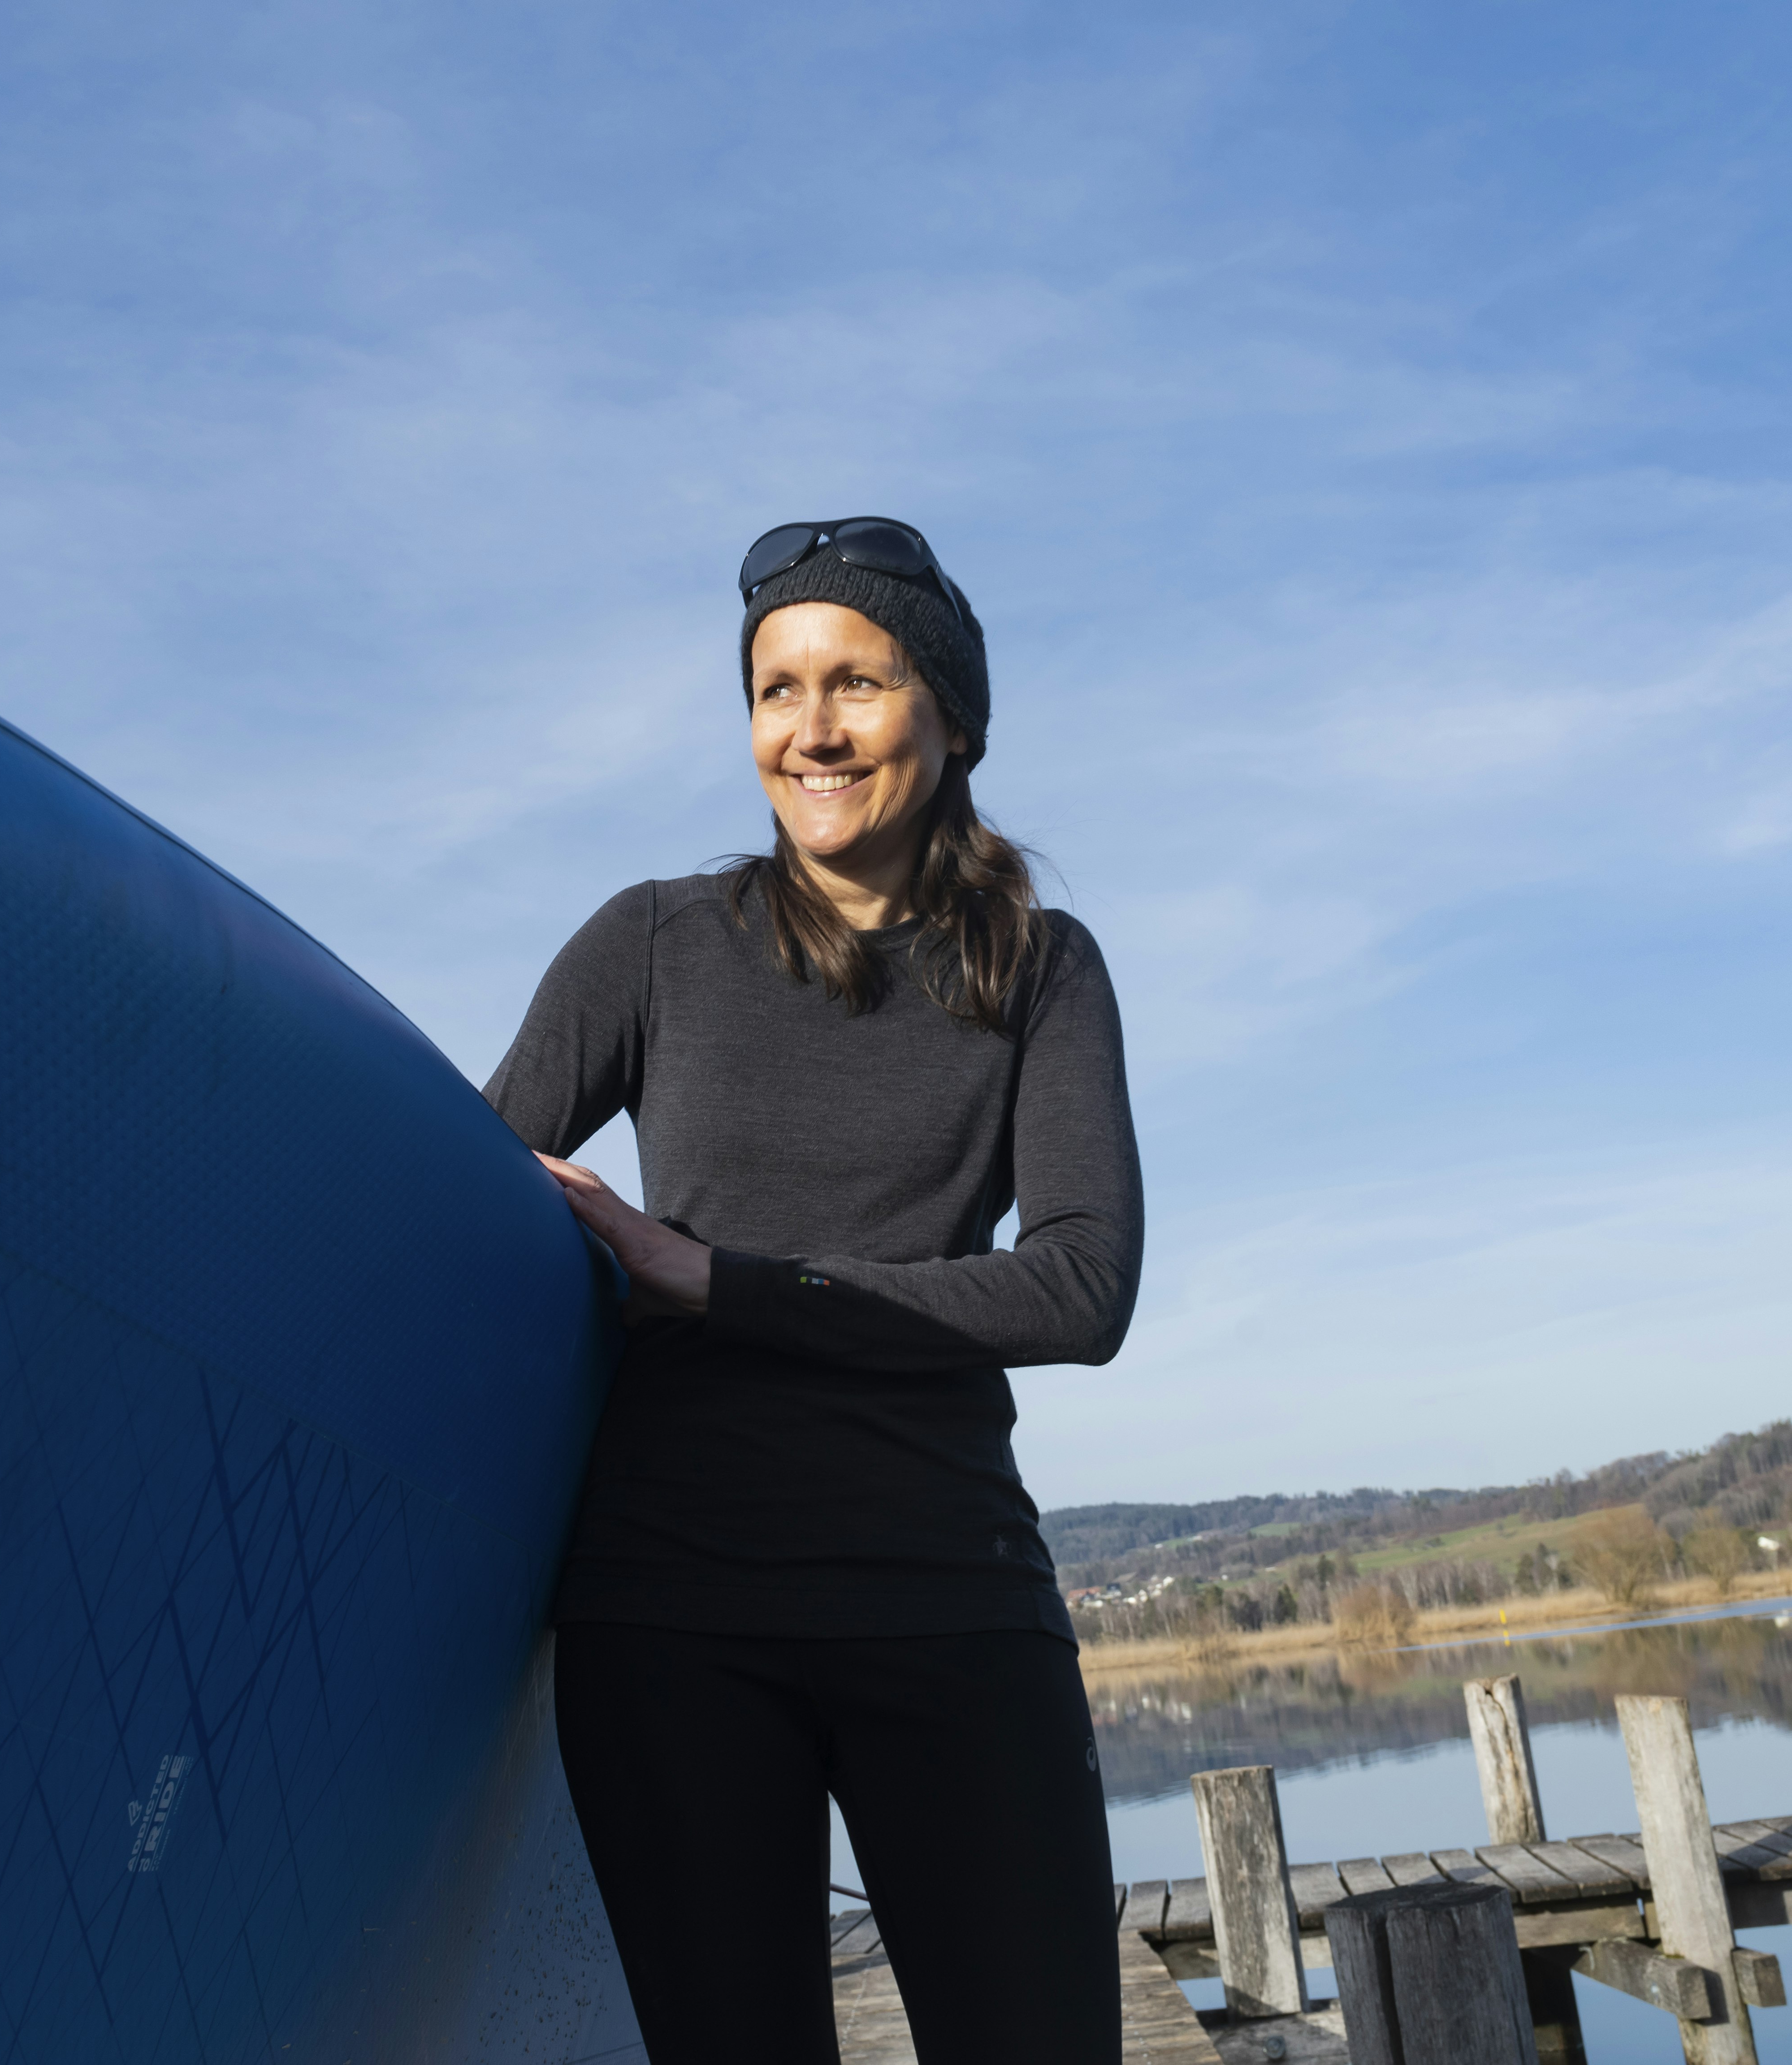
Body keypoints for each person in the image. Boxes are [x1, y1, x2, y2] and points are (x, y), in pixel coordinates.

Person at [486, 517, 1144, 2061]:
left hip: (951, 1604)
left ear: (953, 717)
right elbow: (476, 1205)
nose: (813, 730)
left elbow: (1082, 1285)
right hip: (673, 1623)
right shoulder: (648, 945)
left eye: (857, 681)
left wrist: (723, 1283)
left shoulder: (1042, 970)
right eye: (776, 691)